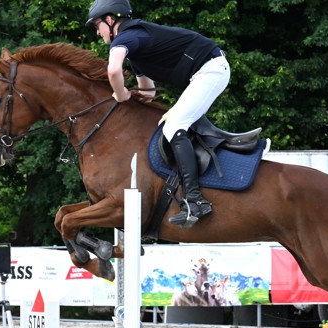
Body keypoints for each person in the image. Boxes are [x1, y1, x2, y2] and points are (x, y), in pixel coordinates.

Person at [87, 0, 230, 228]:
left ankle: (195, 200)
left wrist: (121, 91)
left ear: (111, 20)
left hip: (211, 70)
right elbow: (148, 92)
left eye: (97, 25)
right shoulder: (136, 50)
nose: (97, 31)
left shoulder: (127, 37)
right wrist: (128, 97)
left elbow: (113, 70)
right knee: (171, 123)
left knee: (174, 125)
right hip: (206, 71)